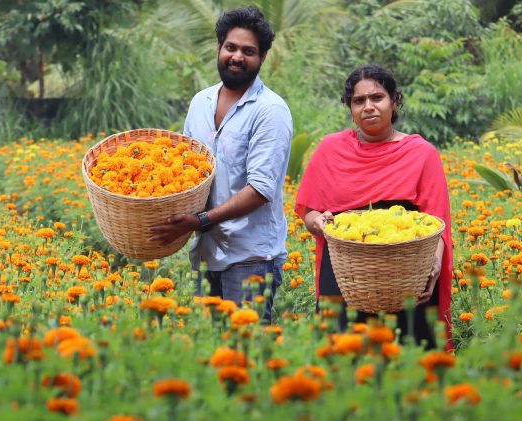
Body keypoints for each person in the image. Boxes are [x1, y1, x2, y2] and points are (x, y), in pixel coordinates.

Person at [148, 6, 292, 322]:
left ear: (262, 58)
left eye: (248, 51)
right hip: (206, 252)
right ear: (219, 48)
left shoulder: (270, 111)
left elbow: (260, 189)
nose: (237, 57)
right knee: (209, 352)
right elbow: (188, 166)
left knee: (245, 354)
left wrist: (199, 220)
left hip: (251, 257)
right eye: (231, 47)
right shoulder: (201, 102)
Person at [294, 64, 453, 348]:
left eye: (377, 98)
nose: (368, 107)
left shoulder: (421, 154)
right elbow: (310, 212)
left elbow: (436, 222)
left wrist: (435, 265)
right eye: (358, 101)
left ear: (394, 102)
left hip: (407, 275)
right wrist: (319, 223)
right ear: (350, 108)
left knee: (408, 361)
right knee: (343, 358)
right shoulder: (331, 150)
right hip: (345, 275)